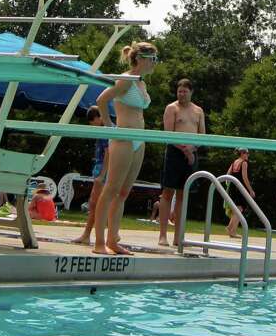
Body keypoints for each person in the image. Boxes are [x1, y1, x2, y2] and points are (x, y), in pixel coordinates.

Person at [92, 42, 159, 256]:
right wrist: (110, 127)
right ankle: (99, 242)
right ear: (140, 59)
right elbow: (102, 100)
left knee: (122, 193)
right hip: (123, 139)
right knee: (110, 189)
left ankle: (113, 239)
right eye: (153, 59)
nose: (155, 64)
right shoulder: (126, 79)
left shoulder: (141, 84)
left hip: (138, 139)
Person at [157, 79, 206, 247]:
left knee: (182, 196)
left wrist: (192, 149)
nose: (181, 94)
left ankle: (178, 236)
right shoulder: (172, 108)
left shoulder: (198, 111)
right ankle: (162, 235)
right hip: (174, 153)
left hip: (191, 154)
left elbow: (202, 136)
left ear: (191, 92)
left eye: (185, 91)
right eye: (179, 91)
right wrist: (185, 149)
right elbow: (168, 134)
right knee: (167, 193)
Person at [73, 105, 111, 246]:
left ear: (99, 117)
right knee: (99, 204)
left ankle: (87, 235)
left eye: (92, 121)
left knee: (95, 204)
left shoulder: (105, 130)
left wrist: (102, 174)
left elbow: (109, 153)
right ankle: (94, 235)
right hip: (102, 167)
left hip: (102, 168)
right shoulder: (109, 127)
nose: (91, 124)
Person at [225, 148, 256, 239]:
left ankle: (230, 228)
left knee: (237, 209)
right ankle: (233, 231)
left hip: (233, 188)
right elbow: (245, 178)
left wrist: (228, 186)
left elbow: (227, 175)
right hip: (240, 188)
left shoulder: (234, 162)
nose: (248, 155)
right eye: (247, 153)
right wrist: (250, 190)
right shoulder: (244, 163)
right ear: (242, 153)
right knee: (239, 209)